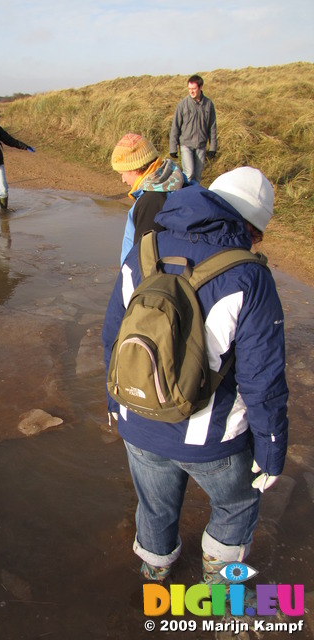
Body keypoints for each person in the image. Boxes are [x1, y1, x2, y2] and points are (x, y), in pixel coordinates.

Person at [102, 167, 288, 588]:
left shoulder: (144, 250)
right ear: (250, 227)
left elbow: (113, 336)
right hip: (213, 439)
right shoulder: (251, 277)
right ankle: (219, 583)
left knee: (154, 507)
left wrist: (116, 401)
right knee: (237, 505)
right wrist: (271, 447)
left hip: (139, 421)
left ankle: (156, 574)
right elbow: (263, 379)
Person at [110, 133, 187, 265]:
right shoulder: (176, 181)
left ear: (135, 169)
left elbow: (145, 260)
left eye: (122, 173)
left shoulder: (150, 201)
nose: (123, 180)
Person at [169, 74, 217, 184]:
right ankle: (185, 197)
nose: (191, 91)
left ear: (200, 87)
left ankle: (194, 199)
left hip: (201, 145)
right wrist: (173, 148)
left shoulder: (208, 104)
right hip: (186, 144)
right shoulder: (182, 105)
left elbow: (212, 127)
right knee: (189, 173)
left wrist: (213, 147)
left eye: (194, 89)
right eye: (189, 89)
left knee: (197, 176)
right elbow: (175, 127)